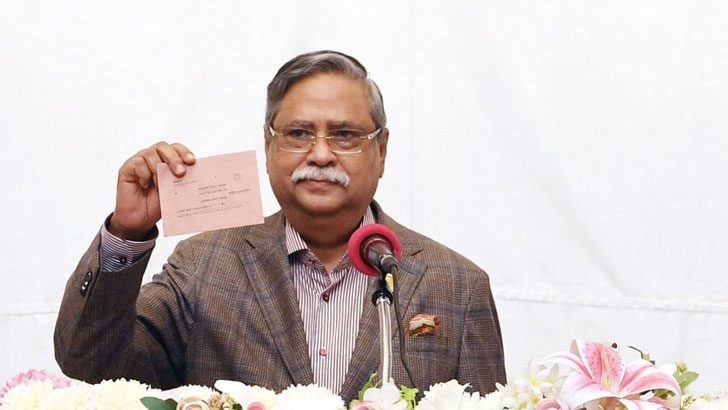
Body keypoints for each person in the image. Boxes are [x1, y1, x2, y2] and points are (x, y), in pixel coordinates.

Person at [54, 50, 506, 402]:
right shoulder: (203, 266)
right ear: (269, 146)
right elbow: (91, 364)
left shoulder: (457, 286)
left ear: (381, 150)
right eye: (299, 134)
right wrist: (128, 234)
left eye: (345, 135)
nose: (321, 154)